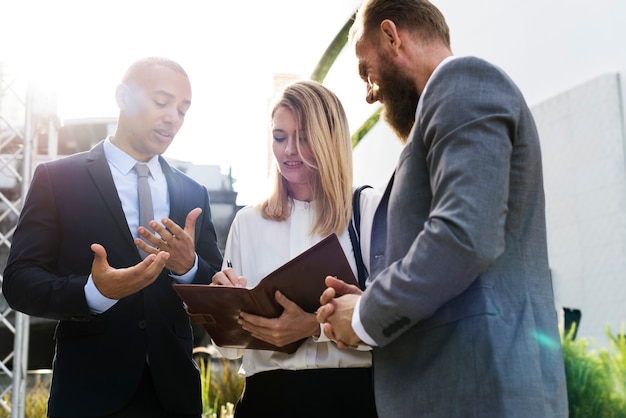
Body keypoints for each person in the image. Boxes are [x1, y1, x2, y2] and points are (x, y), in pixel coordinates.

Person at [316, 1, 569, 417]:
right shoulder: (441, 109)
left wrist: (365, 313)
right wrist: (369, 300)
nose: (368, 93)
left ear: (391, 36)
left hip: (480, 394)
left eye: (366, 70)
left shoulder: (462, 82)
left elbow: (464, 235)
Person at [2, 56, 223, 418]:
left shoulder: (193, 193)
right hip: (88, 394)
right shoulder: (57, 179)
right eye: (162, 102)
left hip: (174, 396)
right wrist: (94, 292)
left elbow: (216, 294)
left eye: (183, 110)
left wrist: (189, 267)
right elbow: (20, 282)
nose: (173, 118)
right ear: (123, 97)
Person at [211, 80, 381, 418]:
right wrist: (223, 309)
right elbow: (230, 351)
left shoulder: (368, 210)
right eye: (279, 137)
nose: (289, 149)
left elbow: (397, 320)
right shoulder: (248, 222)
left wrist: (314, 326)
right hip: (267, 400)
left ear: (329, 139)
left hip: (352, 399)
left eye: (303, 136)